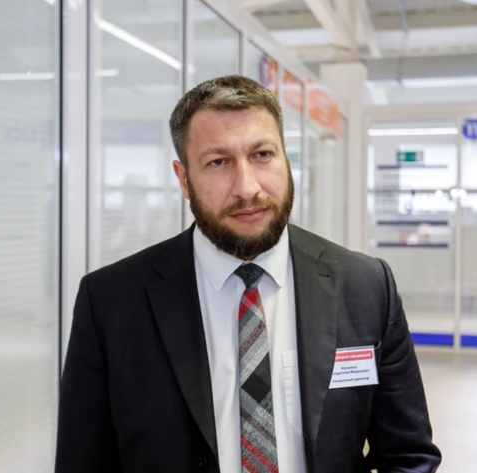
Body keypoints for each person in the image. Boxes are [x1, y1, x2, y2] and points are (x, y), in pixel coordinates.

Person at [55, 75, 441, 473]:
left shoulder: (365, 286)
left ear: (285, 156)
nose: (247, 187)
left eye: (262, 154)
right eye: (218, 162)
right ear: (184, 178)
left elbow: (408, 456)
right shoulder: (112, 302)